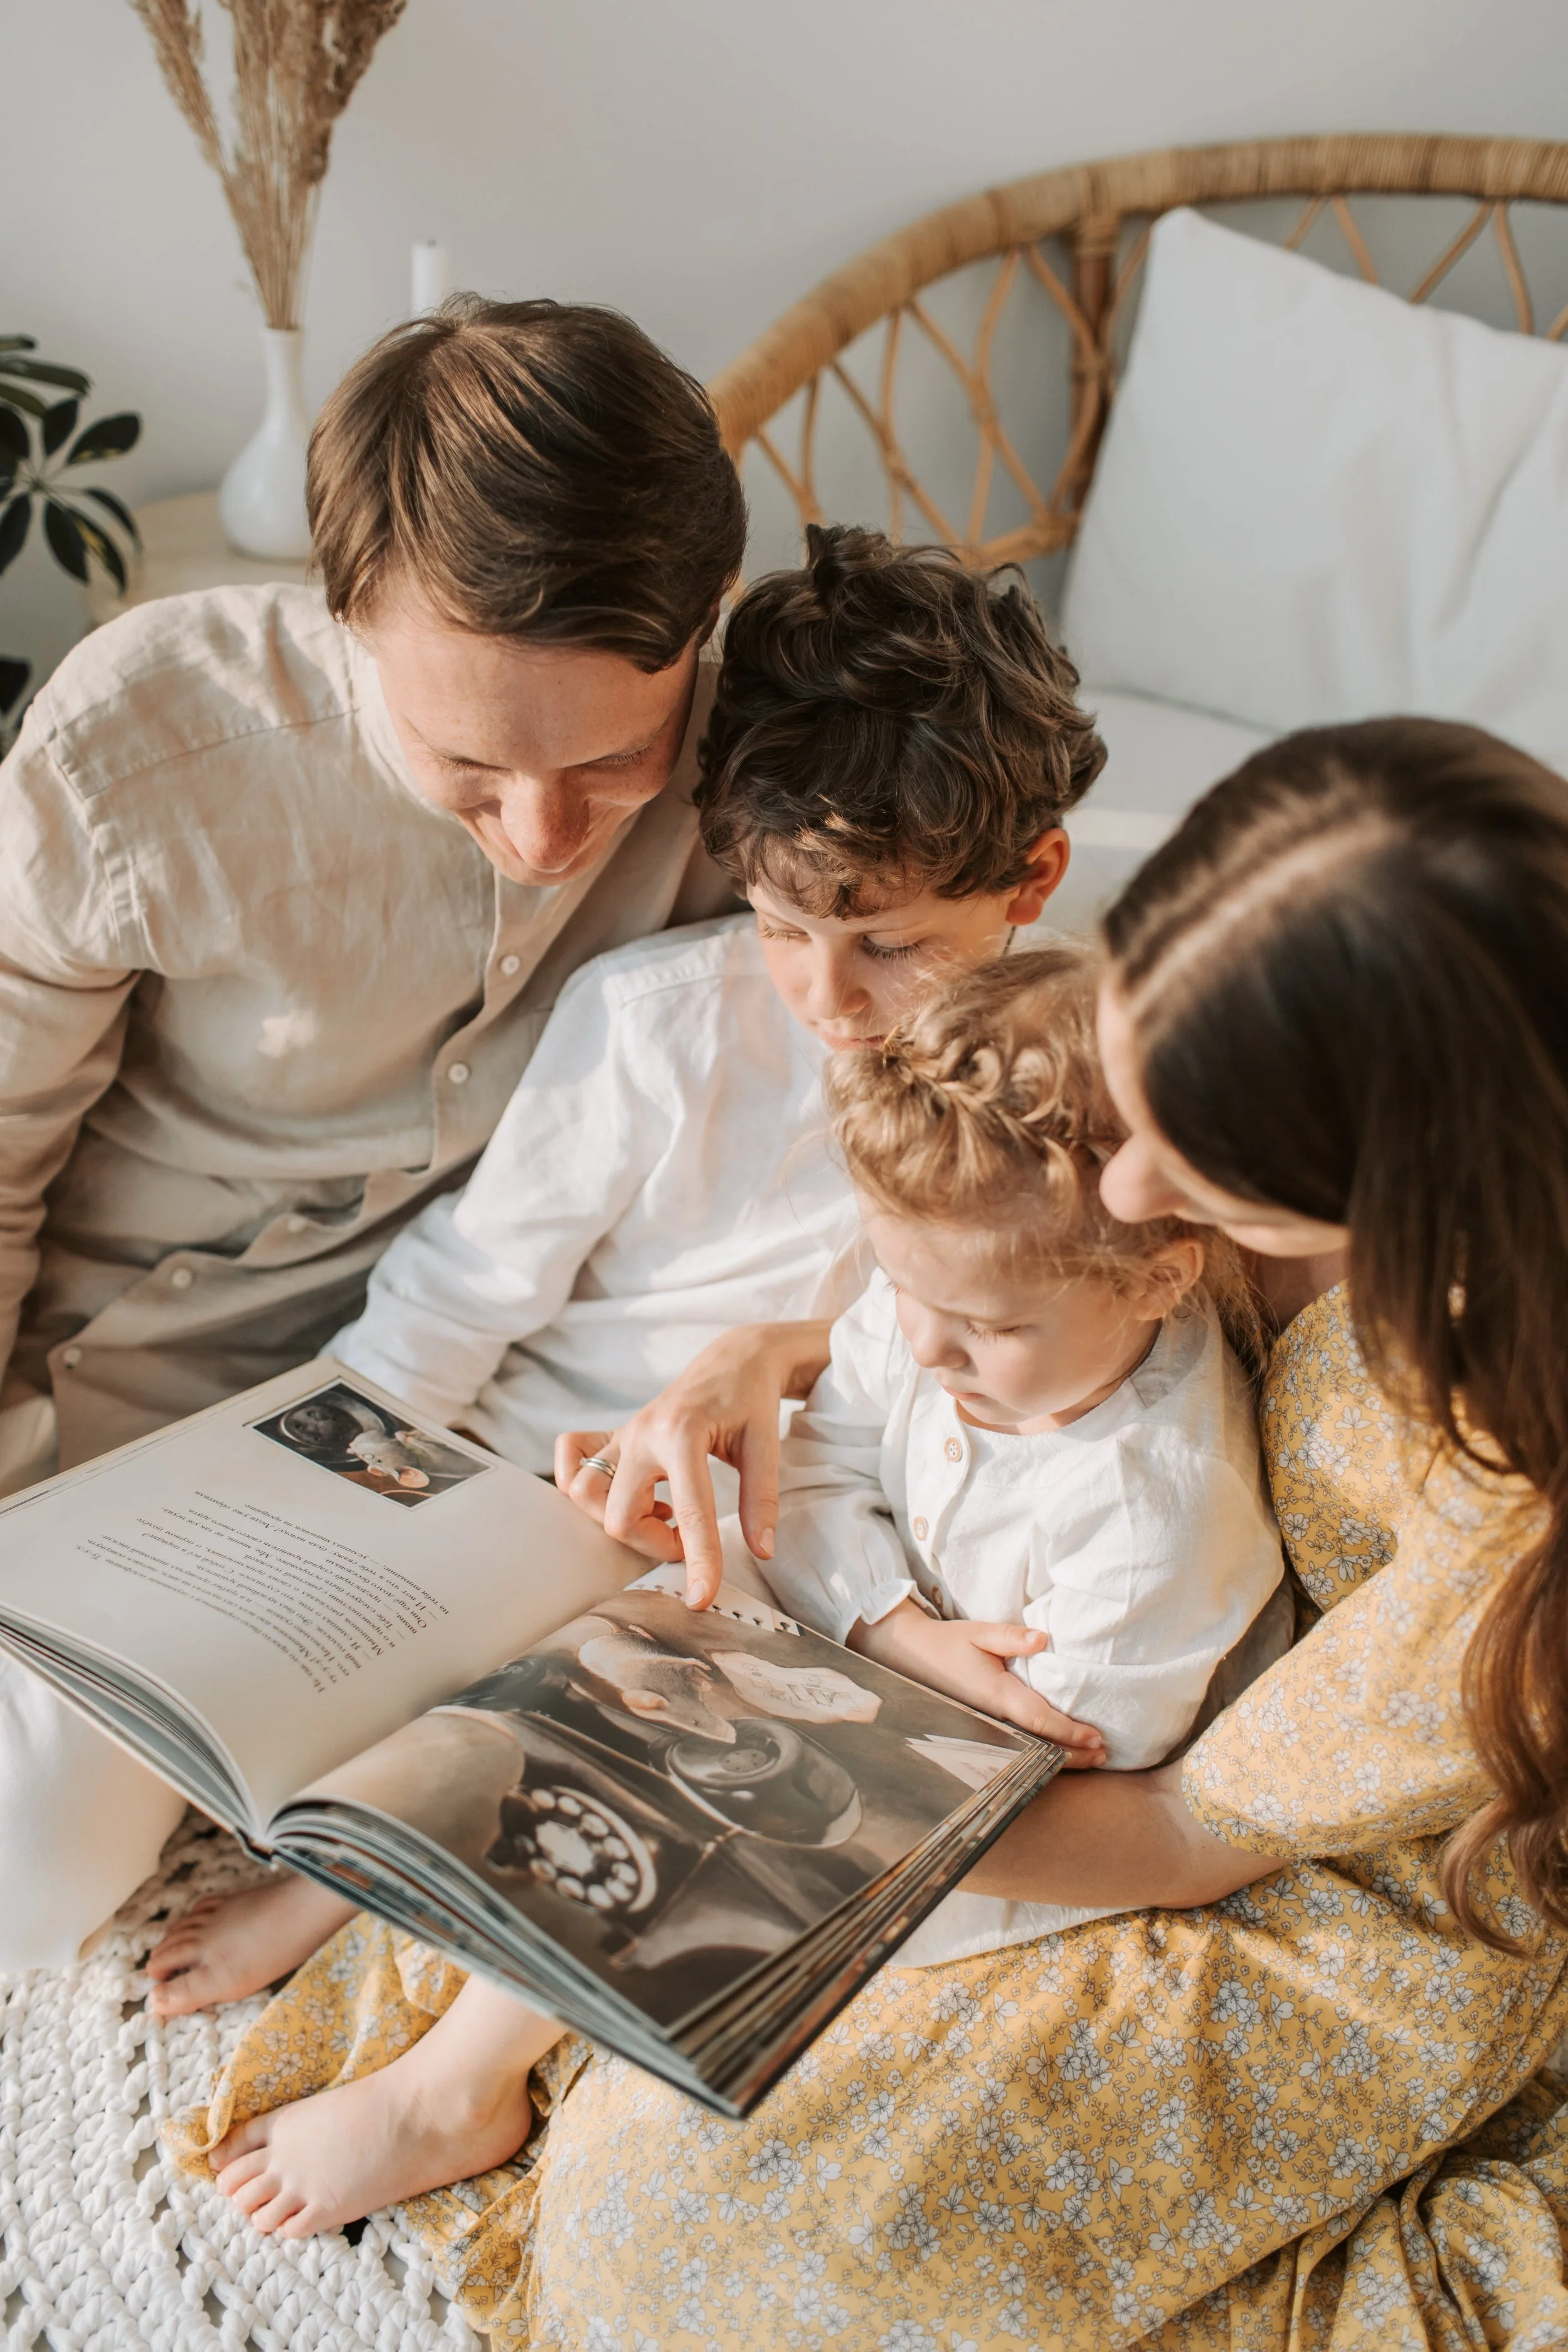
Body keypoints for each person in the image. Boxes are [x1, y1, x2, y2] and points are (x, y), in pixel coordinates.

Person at [176, 717, 1568, 2344]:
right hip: (1048, 1639)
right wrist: (760, 1360)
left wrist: (775, 1788)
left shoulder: (1502, 1529)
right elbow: (1019, 1262)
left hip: (1288, 1860)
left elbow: (1189, 1823)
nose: (1130, 1192)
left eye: (1196, 1169)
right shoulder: (1205, 1072)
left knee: (677, 2216)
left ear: (1393, 1180)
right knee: (609, 1687)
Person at [146, 521, 1099, 2016]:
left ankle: (455, 1962)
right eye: (783, 928)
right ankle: (351, 1857)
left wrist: (791, 1401)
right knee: (483, 1666)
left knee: (749, 1734)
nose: (829, 997)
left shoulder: (1056, 1075)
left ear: (1031, 879)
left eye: (892, 947)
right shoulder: (655, 1023)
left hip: (773, 1525)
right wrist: (316, 1503)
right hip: (539, 1469)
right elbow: (455, 1302)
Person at [0, 294, 746, 1968]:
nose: (549, 834)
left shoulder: (765, 734)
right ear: (347, 620)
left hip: (473, 1396)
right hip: (122, 1395)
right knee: (26, 1870)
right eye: (467, 765)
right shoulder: (142, 745)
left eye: (618, 757)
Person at [743, 946, 1285, 1966]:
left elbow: (1054, 1761)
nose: (925, 1344)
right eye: (903, 1289)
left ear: (1154, 1284)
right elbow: (811, 1472)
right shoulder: (947, 1289)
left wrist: (858, 1638)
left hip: (1027, 1844)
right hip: (891, 1678)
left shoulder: (1146, 1514)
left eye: (986, 1330)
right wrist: (894, 1629)